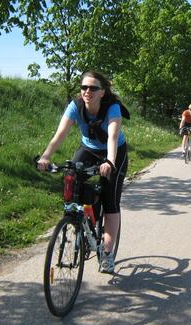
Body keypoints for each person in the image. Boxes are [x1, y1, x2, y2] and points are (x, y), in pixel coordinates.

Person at [37, 70, 129, 274]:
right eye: (84, 87)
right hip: (88, 149)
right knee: (72, 176)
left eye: (93, 88)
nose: (87, 91)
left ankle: (106, 253)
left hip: (114, 153)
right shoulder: (75, 106)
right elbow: (60, 134)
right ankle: (78, 218)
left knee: (110, 200)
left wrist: (110, 162)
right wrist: (45, 157)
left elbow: (112, 138)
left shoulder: (112, 108)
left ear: (102, 92)